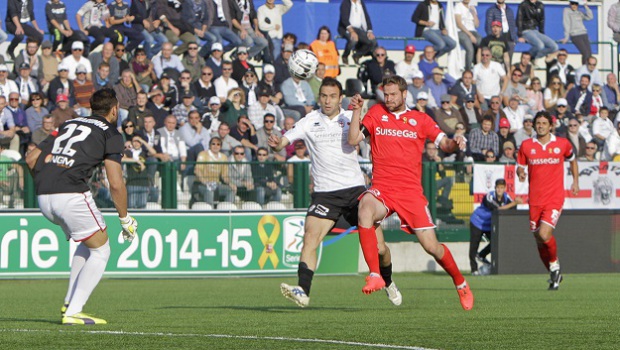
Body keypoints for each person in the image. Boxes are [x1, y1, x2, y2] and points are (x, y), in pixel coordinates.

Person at [270, 77, 400, 308]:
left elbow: (375, 138)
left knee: (380, 249)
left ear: (341, 98)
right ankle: (303, 290)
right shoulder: (309, 121)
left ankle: (387, 281)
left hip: (355, 193)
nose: (327, 101)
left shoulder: (351, 118)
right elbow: (283, 141)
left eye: (332, 96)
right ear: (318, 97)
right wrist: (277, 142)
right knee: (310, 237)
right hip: (325, 194)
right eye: (323, 96)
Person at [347, 75, 473, 310]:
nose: (389, 98)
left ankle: (460, 282)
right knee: (364, 207)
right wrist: (356, 111)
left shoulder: (420, 120)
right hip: (382, 188)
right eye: (386, 94)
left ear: (405, 94)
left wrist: (455, 143)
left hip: (410, 192)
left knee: (431, 247)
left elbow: (444, 144)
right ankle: (375, 274)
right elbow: (353, 138)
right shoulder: (376, 113)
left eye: (393, 94)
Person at [25, 88, 138, 325]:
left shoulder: (68, 123)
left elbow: (31, 158)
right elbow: (116, 184)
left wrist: (48, 179)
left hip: (43, 195)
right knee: (102, 250)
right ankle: (74, 311)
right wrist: (125, 219)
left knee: (88, 241)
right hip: (70, 193)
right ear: (114, 109)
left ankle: (69, 302)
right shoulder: (112, 134)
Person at [517, 111, 579, 290]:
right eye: (538, 123)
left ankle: (554, 265)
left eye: (544, 123)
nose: (541, 126)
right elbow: (520, 167)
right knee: (538, 239)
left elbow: (573, 160)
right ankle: (554, 273)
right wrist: (521, 173)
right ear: (534, 125)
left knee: (544, 234)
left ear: (551, 126)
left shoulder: (562, 144)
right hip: (535, 200)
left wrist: (575, 181)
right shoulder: (527, 146)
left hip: (554, 198)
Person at [469, 178, 520, 275]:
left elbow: (513, 209)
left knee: (495, 242)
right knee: (474, 246)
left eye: (502, 187)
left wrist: (515, 203)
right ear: (495, 188)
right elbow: (498, 209)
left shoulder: (506, 197)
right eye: (498, 187)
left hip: (488, 225)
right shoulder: (489, 196)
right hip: (477, 222)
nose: (499, 190)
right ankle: (474, 270)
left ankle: (482, 255)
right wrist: (514, 202)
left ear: (505, 188)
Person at [338, 0, 377, 65]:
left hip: (357, 29)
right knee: (354, 39)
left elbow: (366, 17)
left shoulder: (361, 3)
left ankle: (357, 55)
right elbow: (344, 19)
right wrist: (352, 31)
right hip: (345, 28)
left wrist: (369, 31)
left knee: (373, 41)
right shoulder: (345, 3)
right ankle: (345, 55)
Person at [257, 0, 293, 64]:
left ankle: (275, 73)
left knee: (276, 61)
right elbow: (261, 25)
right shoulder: (261, 9)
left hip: (278, 38)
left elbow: (289, 4)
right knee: (267, 60)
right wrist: (273, 26)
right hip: (268, 38)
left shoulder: (278, 8)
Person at [485, 0, 518, 64]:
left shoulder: (509, 10)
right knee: (497, 59)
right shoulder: (491, 10)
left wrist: (514, 39)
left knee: (508, 60)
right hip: (498, 36)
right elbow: (488, 26)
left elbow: (513, 25)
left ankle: (507, 73)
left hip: (509, 37)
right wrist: (492, 39)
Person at [562, 0, 593, 65]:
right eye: (572, 4)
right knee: (585, 53)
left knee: (589, 53)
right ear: (570, 4)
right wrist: (566, 37)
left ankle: (589, 69)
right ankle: (584, 69)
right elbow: (566, 23)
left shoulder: (580, 12)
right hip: (575, 35)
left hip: (584, 34)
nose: (574, 6)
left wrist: (586, 6)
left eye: (576, 4)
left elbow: (590, 17)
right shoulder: (567, 11)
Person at [454, 0, 480, 70]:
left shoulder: (472, 8)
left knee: (481, 44)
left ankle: (477, 67)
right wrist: (470, 35)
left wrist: (474, 13)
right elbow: (459, 24)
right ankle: (467, 70)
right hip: (461, 31)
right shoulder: (458, 6)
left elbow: (477, 25)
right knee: (470, 49)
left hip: (472, 30)